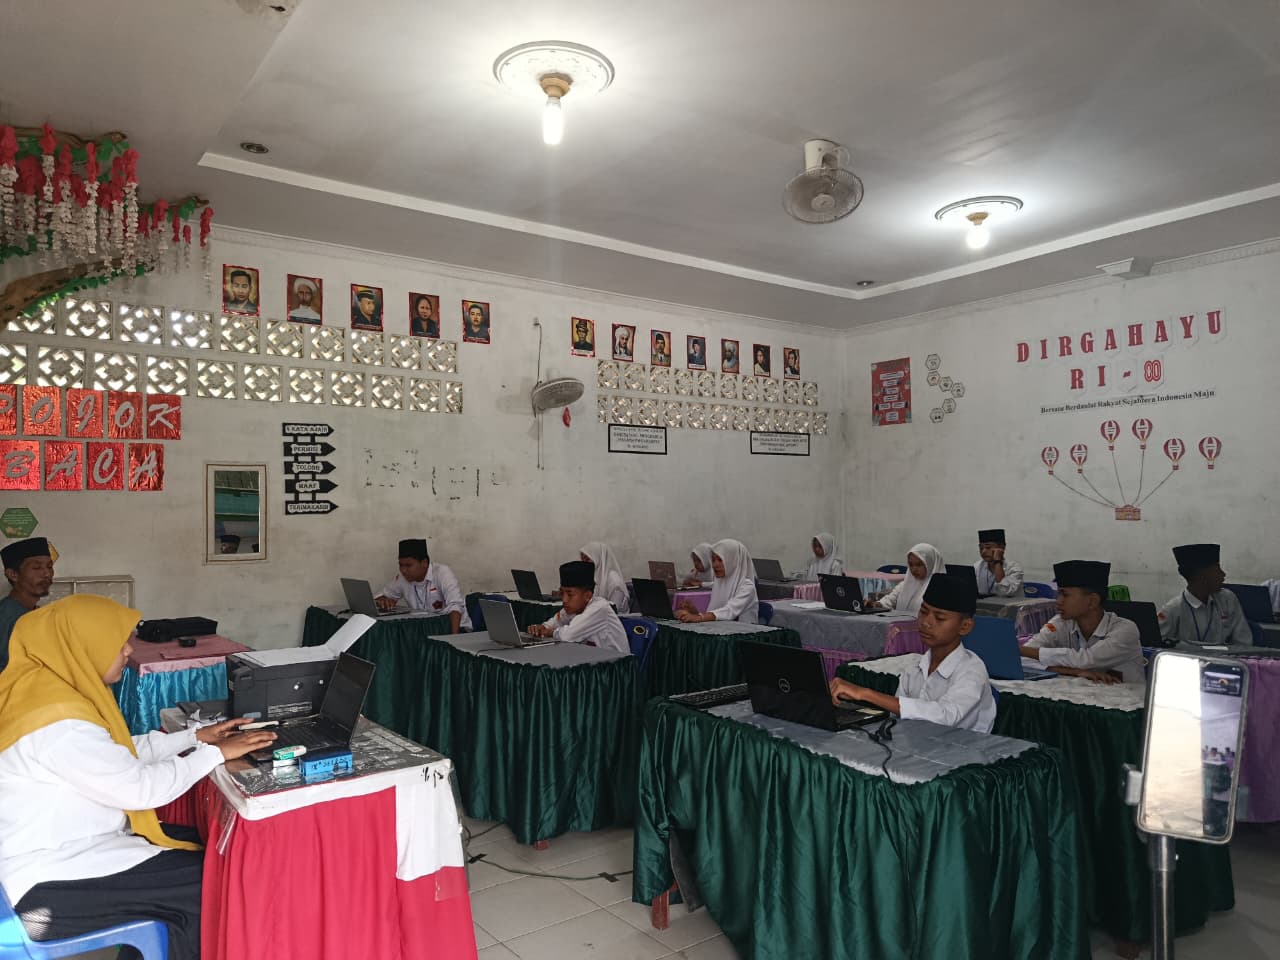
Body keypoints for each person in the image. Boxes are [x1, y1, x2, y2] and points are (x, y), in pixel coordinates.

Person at [0, 595, 277, 960]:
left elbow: (115, 751)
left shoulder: (44, 692)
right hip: (47, 877)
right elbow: (140, 789)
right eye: (118, 643)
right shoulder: (60, 726)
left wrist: (194, 738)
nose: (129, 651)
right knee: (213, 880)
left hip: (62, 848)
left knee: (200, 846)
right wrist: (216, 753)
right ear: (82, 648)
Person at [829, 574, 997, 733]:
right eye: (923, 612)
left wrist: (866, 694)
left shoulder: (972, 670)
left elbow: (944, 716)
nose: (926, 623)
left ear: (965, 626)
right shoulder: (916, 667)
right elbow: (899, 716)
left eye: (939, 618)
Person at [1019, 560, 1145, 683]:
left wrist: (1021, 650)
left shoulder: (1125, 630)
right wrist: (1072, 672)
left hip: (1127, 695)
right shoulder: (1059, 624)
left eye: (1065, 595)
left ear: (1092, 601)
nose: (1058, 601)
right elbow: (1021, 659)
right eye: (1058, 594)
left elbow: (1087, 660)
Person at [1157, 544, 1252, 647]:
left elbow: (1243, 642)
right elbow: (1156, 645)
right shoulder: (1172, 610)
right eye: (1217, 570)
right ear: (1202, 576)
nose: (1223, 574)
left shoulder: (1228, 599)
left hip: (1226, 657)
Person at [527, 561, 629, 653]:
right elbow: (553, 623)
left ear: (587, 596)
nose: (564, 600)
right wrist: (541, 628)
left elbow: (568, 636)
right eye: (562, 593)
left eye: (570, 594)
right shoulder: (572, 609)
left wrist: (551, 632)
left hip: (616, 665)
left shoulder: (599, 608)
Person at [375, 538, 470, 632]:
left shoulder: (442, 573)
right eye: (401, 565)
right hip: (425, 629)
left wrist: (453, 637)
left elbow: (455, 606)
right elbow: (377, 598)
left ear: (424, 563)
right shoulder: (402, 578)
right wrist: (383, 601)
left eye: (408, 565)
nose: (403, 570)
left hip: (454, 628)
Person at [1, 537, 54, 671]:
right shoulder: (8, 617)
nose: (47, 574)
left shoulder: (34, 612)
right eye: (36, 567)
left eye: (49, 566)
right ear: (13, 574)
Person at [677, 539, 758, 624]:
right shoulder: (720, 583)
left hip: (743, 631)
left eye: (720, 560)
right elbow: (717, 614)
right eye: (713, 560)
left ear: (733, 561)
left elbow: (729, 611)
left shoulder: (747, 587)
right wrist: (694, 612)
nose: (715, 565)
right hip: (723, 629)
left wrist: (699, 617)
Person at [873, 543, 945, 616]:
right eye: (911, 564)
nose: (914, 569)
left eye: (919, 565)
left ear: (931, 564)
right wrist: (875, 604)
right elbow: (889, 601)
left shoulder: (940, 588)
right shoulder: (905, 584)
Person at [578, 542, 630, 613]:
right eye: (582, 560)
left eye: (587, 559)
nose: (583, 563)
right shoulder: (591, 576)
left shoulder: (614, 580)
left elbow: (613, 609)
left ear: (598, 558)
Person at [974, 528, 1024, 597]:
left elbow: (1005, 592)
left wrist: (997, 561)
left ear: (1002, 547)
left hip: (1010, 603)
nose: (983, 552)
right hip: (984, 603)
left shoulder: (1014, 568)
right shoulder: (977, 566)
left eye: (988, 548)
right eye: (981, 548)